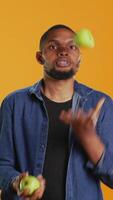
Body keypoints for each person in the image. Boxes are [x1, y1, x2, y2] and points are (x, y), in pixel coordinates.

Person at [0, 24, 113, 200]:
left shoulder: (101, 104)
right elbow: (2, 164)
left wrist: (90, 139)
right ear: (40, 57)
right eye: (53, 46)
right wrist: (18, 183)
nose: (63, 51)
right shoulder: (13, 103)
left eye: (72, 46)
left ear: (79, 59)